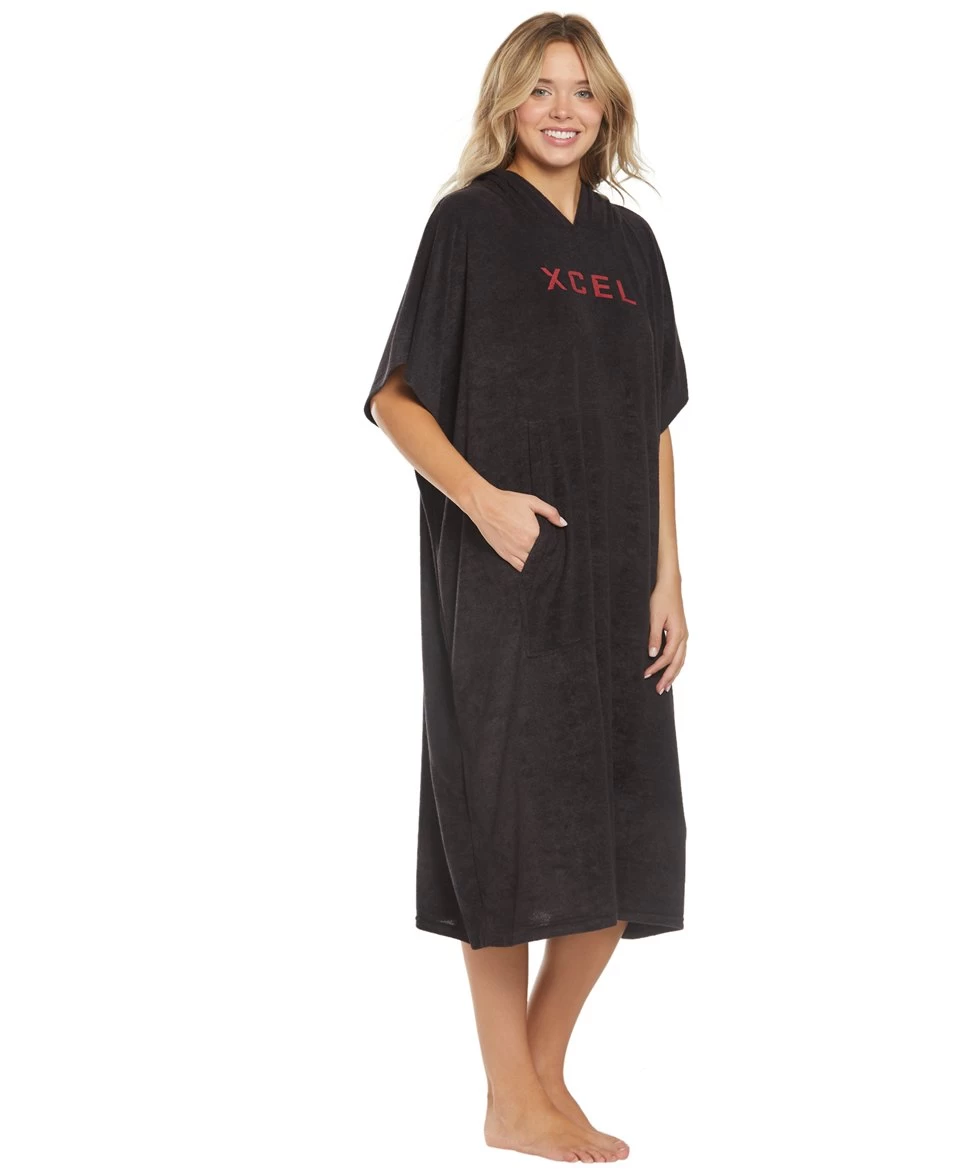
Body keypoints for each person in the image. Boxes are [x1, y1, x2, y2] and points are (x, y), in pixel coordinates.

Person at [363, 14, 689, 1163]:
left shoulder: (631, 246)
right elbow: (395, 398)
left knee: (628, 842)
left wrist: (670, 579)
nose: (563, 109)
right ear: (508, 101)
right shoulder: (468, 225)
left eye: (583, 91)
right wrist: (484, 501)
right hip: (505, 581)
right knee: (506, 832)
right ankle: (515, 1096)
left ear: (608, 111)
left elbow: (655, 423)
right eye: (542, 88)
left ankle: (533, 1085)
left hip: (618, 588)